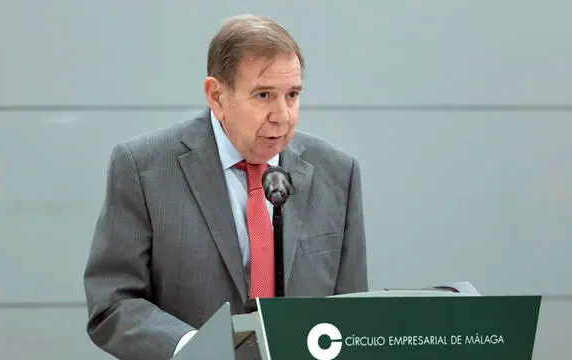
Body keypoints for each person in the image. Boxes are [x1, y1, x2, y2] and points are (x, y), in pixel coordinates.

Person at [83, 14, 367, 360]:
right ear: (216, 96)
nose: (282, 115)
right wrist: (193, 350)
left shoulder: (337, 173)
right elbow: (112, 302)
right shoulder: (143, 168)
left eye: (292, 95)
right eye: (264, 95)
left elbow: (353, 315)